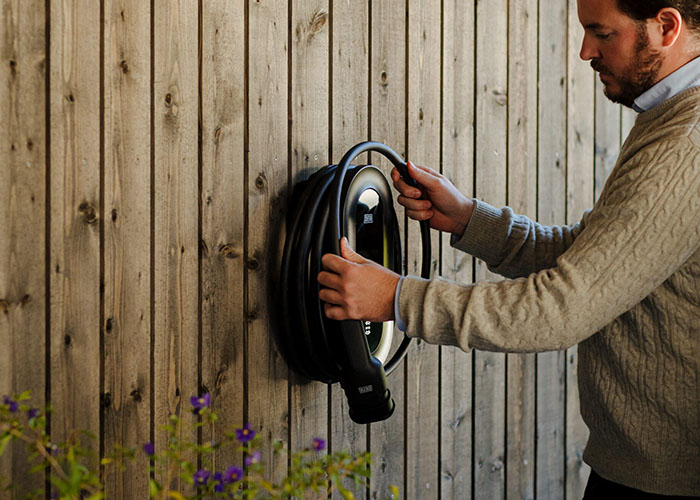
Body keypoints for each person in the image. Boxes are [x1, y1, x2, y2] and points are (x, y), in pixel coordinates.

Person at [318, 0, 700, 497]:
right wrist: (470, 219)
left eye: (601, 33)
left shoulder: (686, 141)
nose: (585, 51)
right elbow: (594, 253)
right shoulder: (671, 115)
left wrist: (395, 298)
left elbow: (563, 307)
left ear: (666, 27)